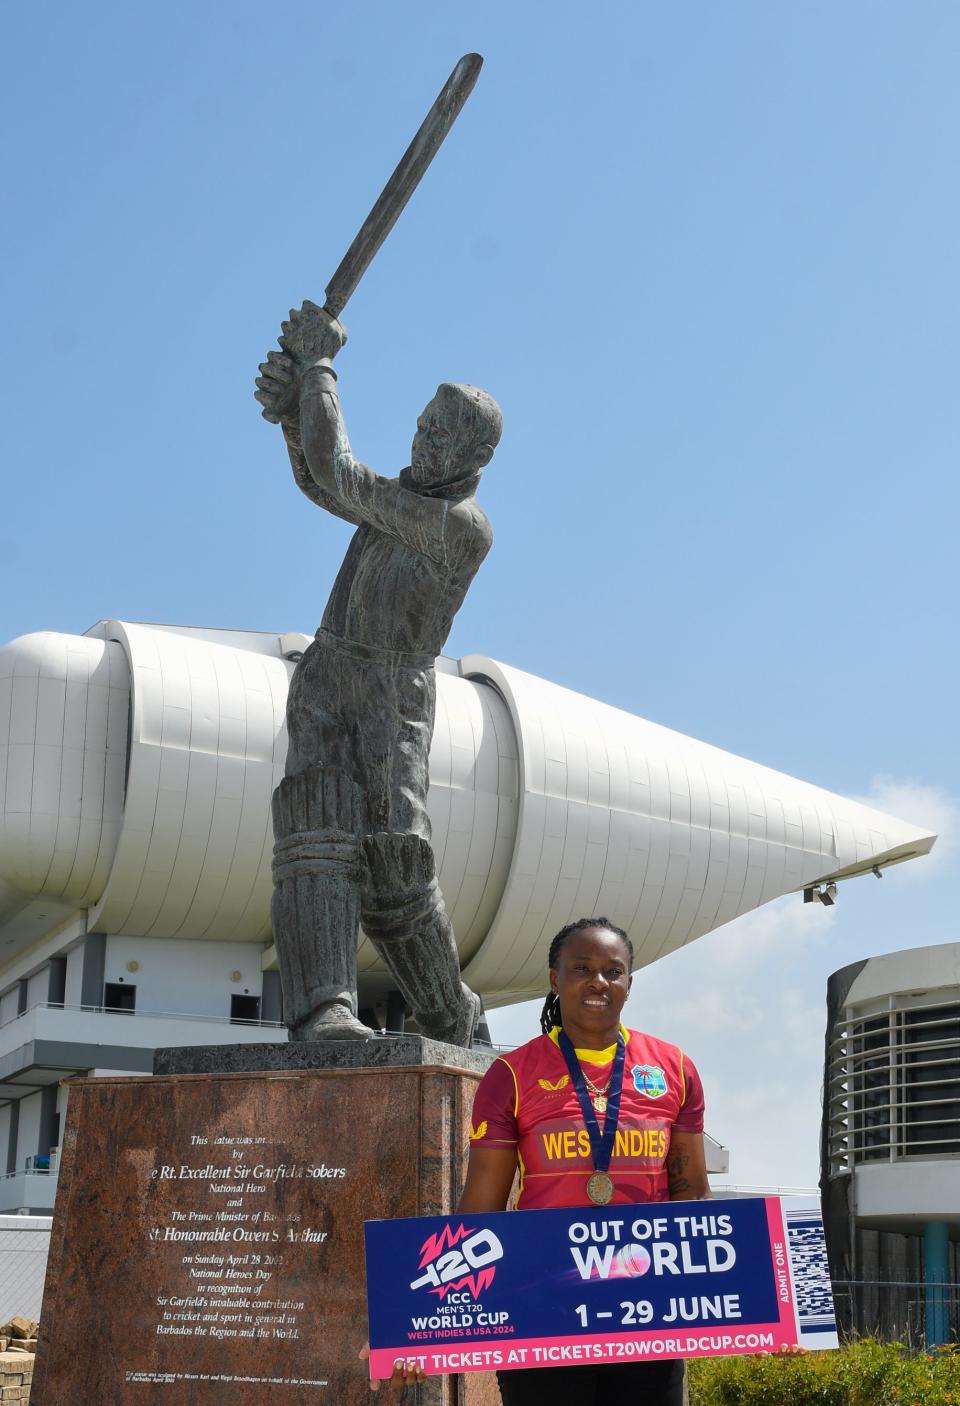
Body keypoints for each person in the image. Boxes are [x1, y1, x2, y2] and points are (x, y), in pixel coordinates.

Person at [254, 303, 502, 1045]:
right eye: (422, 426)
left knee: (396, 864)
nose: (422, 442)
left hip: (392, 696)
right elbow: (328, 483)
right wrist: (295, 411)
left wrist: (318, 371)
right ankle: (322, 1007)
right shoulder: (403, 496)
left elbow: (343, 476)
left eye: (439, 435)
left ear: (474, 454)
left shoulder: (461, 526)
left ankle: (452, 1016)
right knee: (313, 826)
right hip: (330, 674)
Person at [461, 915, 709, 1406]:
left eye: (613, 971)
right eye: (582, 968)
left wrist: (760, 1309)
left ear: (629, 984)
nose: (599, 981)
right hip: (542, 1307)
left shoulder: (674, 1068)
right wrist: (418, 1321)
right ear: (555, 980)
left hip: (647, 1309)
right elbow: (480, 1210)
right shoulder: (510, 1075)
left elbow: (692, 1195)